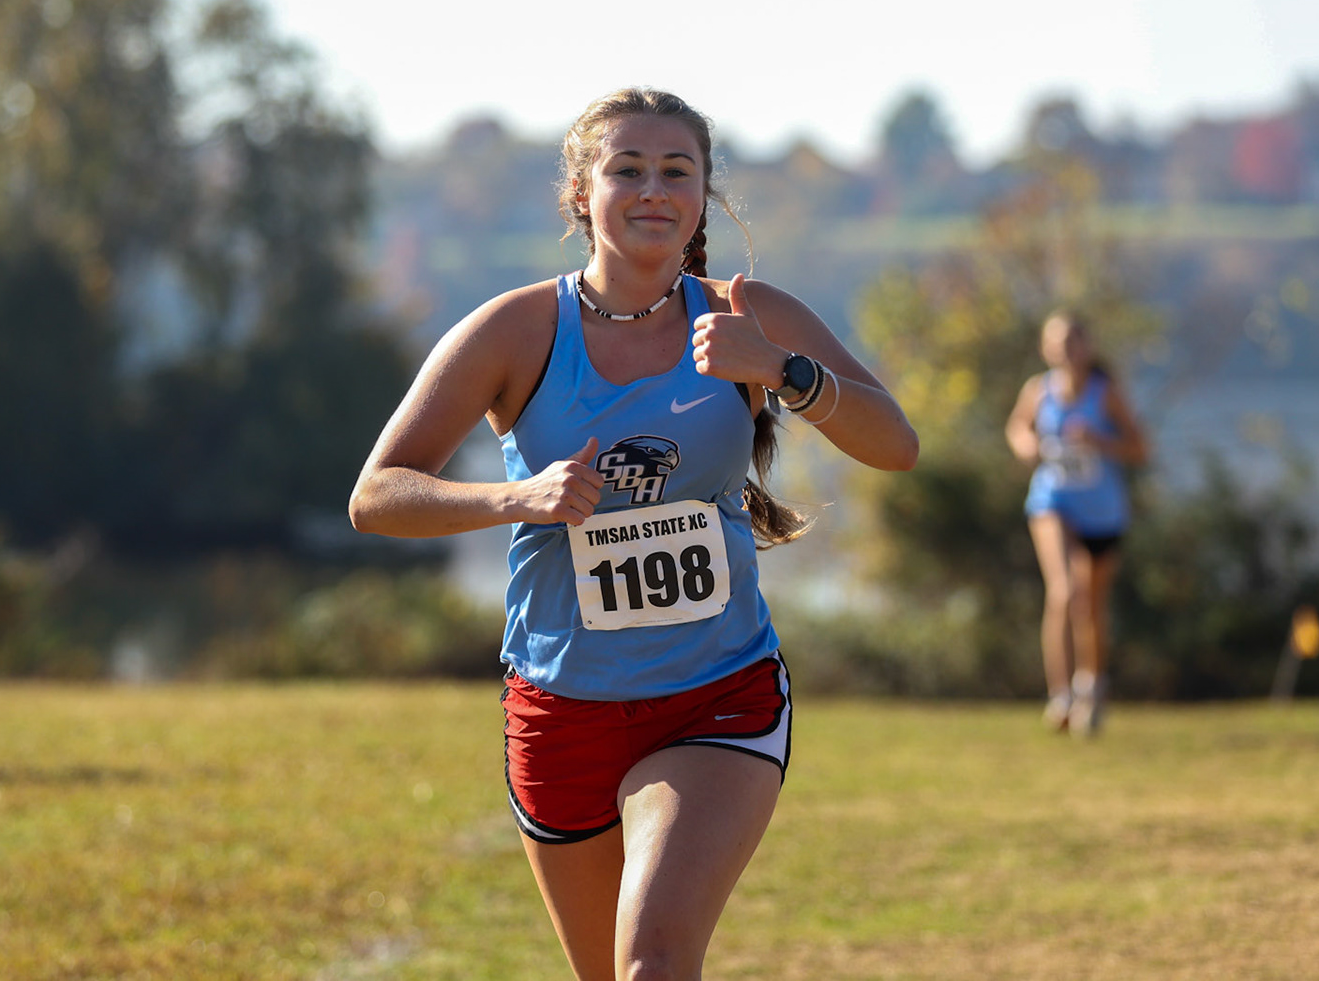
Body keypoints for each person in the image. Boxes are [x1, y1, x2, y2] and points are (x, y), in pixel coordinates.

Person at [349, 87, 917, 979]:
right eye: (628, 170)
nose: (653, 189)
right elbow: (377, 494)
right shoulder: (517, 330)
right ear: (583, 193)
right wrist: (517, 499)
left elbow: (895, 445)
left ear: (702, 197)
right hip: (560, 705)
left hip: (715, 693)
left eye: (676, 172)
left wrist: (778, 368)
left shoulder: (747, 311)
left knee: (653, 959)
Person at [1004, 310, 1148, 737]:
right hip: (1053, 500)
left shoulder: (1106, 395)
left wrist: (1101, 441)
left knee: (1091, 606)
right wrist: (1028, 445)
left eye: (1074, 341)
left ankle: (1091, 690)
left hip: (1102, 511)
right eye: (1058, 341)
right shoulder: (1038, 390)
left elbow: (1141, 448)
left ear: (1087, 347)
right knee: (1064, 591)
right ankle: (1060, 695)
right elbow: (1017, 428)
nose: (1066, 349)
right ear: (1045, 347)